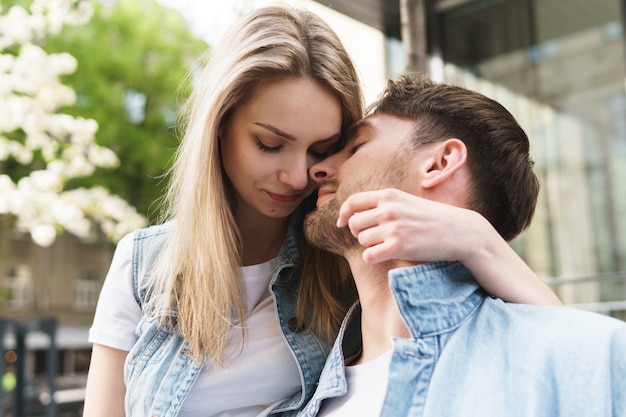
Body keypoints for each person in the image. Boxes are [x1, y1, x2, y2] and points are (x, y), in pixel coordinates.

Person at [83, 6, 559, 417]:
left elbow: (567, 351)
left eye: (325, 148)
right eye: (270, 144)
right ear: (220, 127)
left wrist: (477, 236)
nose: (298, 176)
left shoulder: (343, 253)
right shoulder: (146, 265)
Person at [297, 72, 626, 417]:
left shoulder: (593, 356)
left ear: (440, 163)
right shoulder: (305, 392)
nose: (319, 168)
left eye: (357, 146)